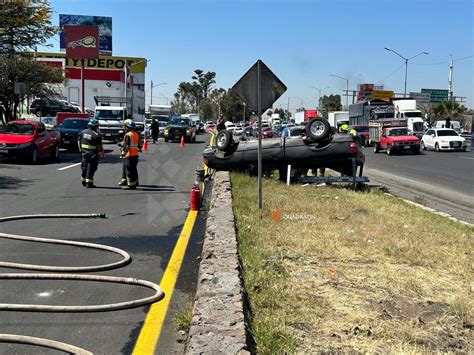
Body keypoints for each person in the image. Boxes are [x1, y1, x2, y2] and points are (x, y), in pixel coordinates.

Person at [79, 118, 104, 188]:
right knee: (91, 168)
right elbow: (99, 146)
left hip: (84, 153)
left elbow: (79, 141)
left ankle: (83, 180)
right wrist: (100, 153)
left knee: (84, 167)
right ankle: (89, 183)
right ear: (95, 126)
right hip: (93, 154)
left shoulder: (83, 132)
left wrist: (81, 150)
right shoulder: (96, 135)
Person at [121, 120, 141, 190]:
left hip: (129, 155)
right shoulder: (136, 134)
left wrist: (123, 153)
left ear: (128, 127)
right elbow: (139, 144)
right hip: (135, 154)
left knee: (129, 170)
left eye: (126, 127)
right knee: (133, 169)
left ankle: (131, 185)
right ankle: (135, 182)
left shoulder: (128, 135)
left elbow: (127, 146)